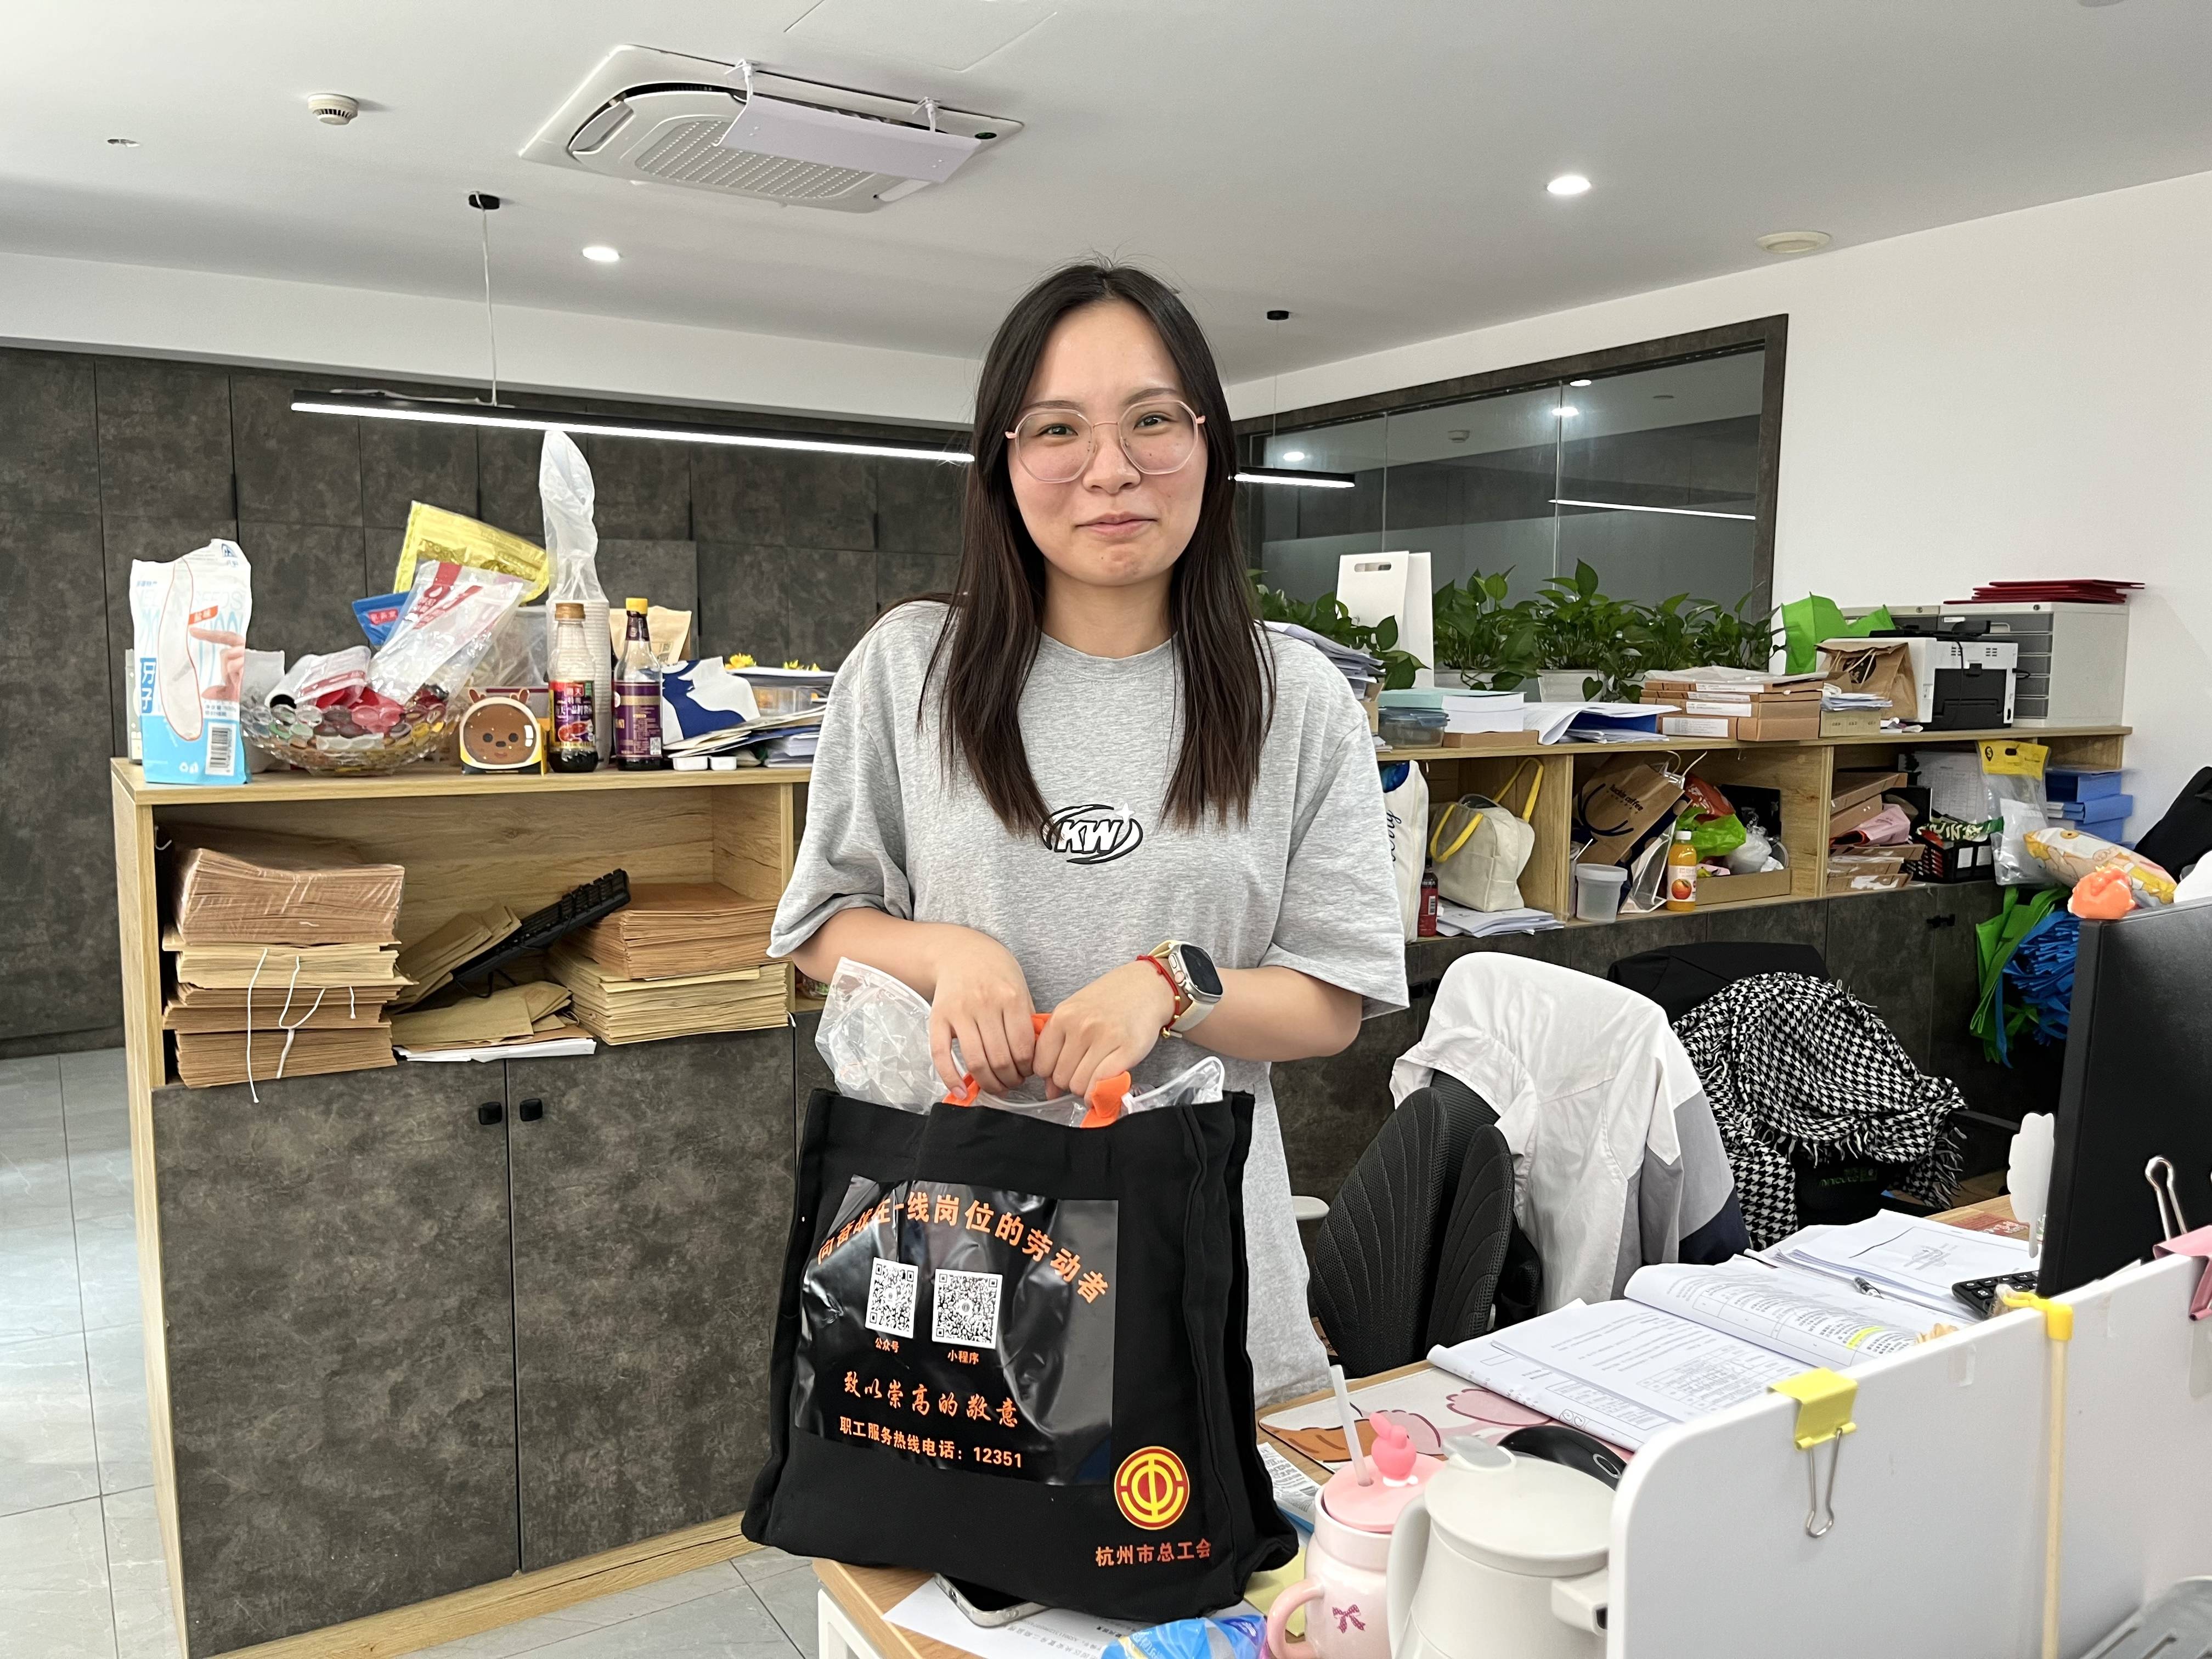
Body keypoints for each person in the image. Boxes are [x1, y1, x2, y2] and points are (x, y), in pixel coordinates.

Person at [770, 259, 1407, 1404]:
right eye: (1059, 429)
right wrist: (949, 954)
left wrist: (1172, 986)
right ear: (1005, 461)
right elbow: (822, 927)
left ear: (1208, 443)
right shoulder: (911, 668)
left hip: (1200, 1258)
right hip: (961, 1253)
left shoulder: (1298, 698)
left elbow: (1330, 1003)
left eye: (1152, 421)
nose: (1110, 470)